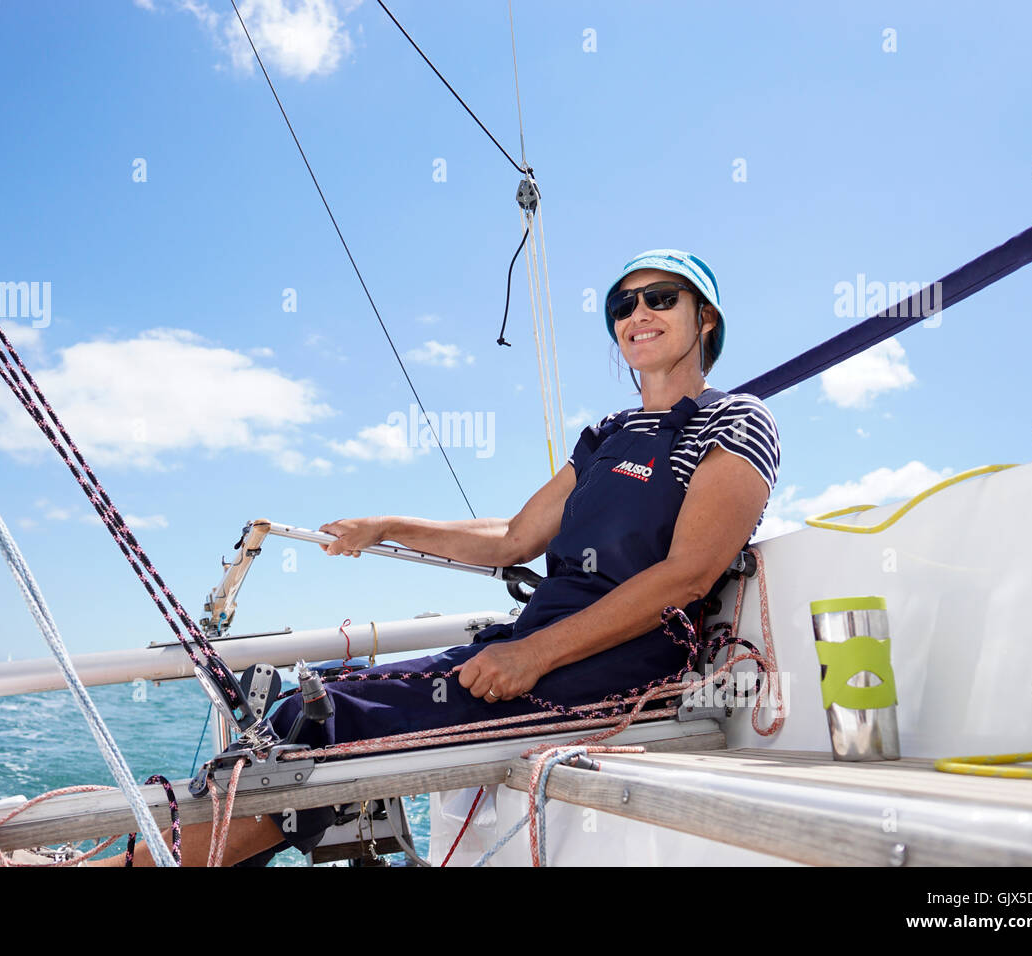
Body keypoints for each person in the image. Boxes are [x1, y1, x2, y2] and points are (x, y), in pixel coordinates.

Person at [115, 248, 781, 866]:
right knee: (300, 712)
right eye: (622, 305)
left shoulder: (735, 421)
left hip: (614, 672)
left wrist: (534, 655)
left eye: (661, 298)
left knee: (319, 719)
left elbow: (687, 573)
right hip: (535, 650)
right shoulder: (606, 436)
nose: (638, 315)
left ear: (706, 318)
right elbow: (515, 538)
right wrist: (391, 526)